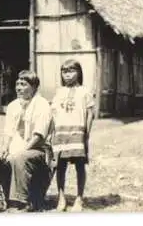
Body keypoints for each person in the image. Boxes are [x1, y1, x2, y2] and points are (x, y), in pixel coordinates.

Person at [0, 70, 53, 213]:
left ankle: (20, 201)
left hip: (38, 151)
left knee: (18, 157)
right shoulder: (13, 106)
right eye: (17, 84)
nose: (19, 88)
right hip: (16, 149)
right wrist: (5, 148)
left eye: (23, 84)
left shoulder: (42, 105)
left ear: (33, 87)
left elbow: (39, 136)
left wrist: (22, 150)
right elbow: (8, 132)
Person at [51, 59, 95, 212]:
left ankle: (79, 198)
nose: (67, 75)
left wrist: (87, 133)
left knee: (79, 165)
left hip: (78, 132)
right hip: (61, 133)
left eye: (71, 71)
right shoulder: (58, 92)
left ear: (79, 72)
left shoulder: (85, 91)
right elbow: (54, 113)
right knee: (60, 166)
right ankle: (61, 197)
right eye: (64, 71)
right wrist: (53, 132)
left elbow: (90, 113)